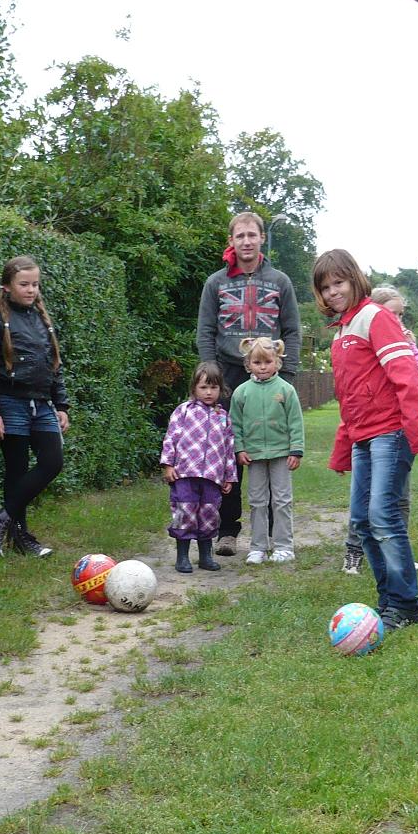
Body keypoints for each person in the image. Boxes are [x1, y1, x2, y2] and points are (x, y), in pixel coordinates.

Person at [315, 250, 418, 633]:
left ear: (354, 279)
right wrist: (342, 448)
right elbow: (349, 397)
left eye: (338, 283)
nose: (333, 292)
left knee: (384, 517)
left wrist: (416, 429)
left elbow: (406, 374)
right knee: (362, 522)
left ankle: (405, 604)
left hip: (391, 432)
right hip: (363, 437)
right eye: (325, 287)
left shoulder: (376, 317)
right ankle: (388, 600)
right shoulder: (341, 332)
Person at [196, 212, 302, 557]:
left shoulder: (280, 281)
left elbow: (292, 330)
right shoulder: (215, 283)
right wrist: (211, 374)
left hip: (270, 377)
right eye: (239, 236)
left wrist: (286, 375)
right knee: (230, 452)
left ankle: (271, 532)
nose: (246, 241)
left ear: (261, 238)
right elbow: (205, 331)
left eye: (251, 235)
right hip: (228, 375)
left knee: (269, 448)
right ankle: (228, 529)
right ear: (231, 240)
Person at [0, 255, 71, 558]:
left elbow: (54, 365)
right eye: (24, 284)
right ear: (7, 286)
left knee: (52, 462)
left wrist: (61, 404)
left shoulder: (43, 320)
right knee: (16, 471)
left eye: (35, 284)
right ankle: (21, 539)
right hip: (10, 402)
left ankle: (0, 518)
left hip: (41, 404)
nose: (31, 290)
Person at [341, 285, 418, 575]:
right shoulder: (364, 339)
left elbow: (417, 381)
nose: (398, 321)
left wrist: (412, 350)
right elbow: (352, 393)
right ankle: (355, 551)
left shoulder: (405, 344)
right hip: (374, 430)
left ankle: (398, 557)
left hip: (400, 430)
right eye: (393, 314)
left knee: (398, 498)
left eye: (401, 315)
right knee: (366, 504)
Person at [230, 337, 304, 565]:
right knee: (257, 501)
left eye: (267, 362)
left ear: (277, 362)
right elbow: (235, 425)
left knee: (282, 501)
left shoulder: (286, 390)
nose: (262, 367)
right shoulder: (241, 392)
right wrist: (239, 449)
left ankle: (284, 546)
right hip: (253, 456)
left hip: (282, 454)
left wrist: (296, 450)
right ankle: (258, 547)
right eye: (257, 362)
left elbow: (296, 422)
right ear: (248, 364)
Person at [160, 361, 238, 574]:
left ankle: (205, 556)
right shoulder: (183, 411)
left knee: (209, 514)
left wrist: (229, 476)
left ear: (221, 389)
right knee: (185, 512)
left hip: (212, 477)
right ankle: (182, 556)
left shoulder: (223, 417)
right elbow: (170, 438)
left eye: (213, 387)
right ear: (194, 387)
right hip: (184, 474)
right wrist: (168, 465)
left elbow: (229, 448)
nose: (209, 392)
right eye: (203, 387)